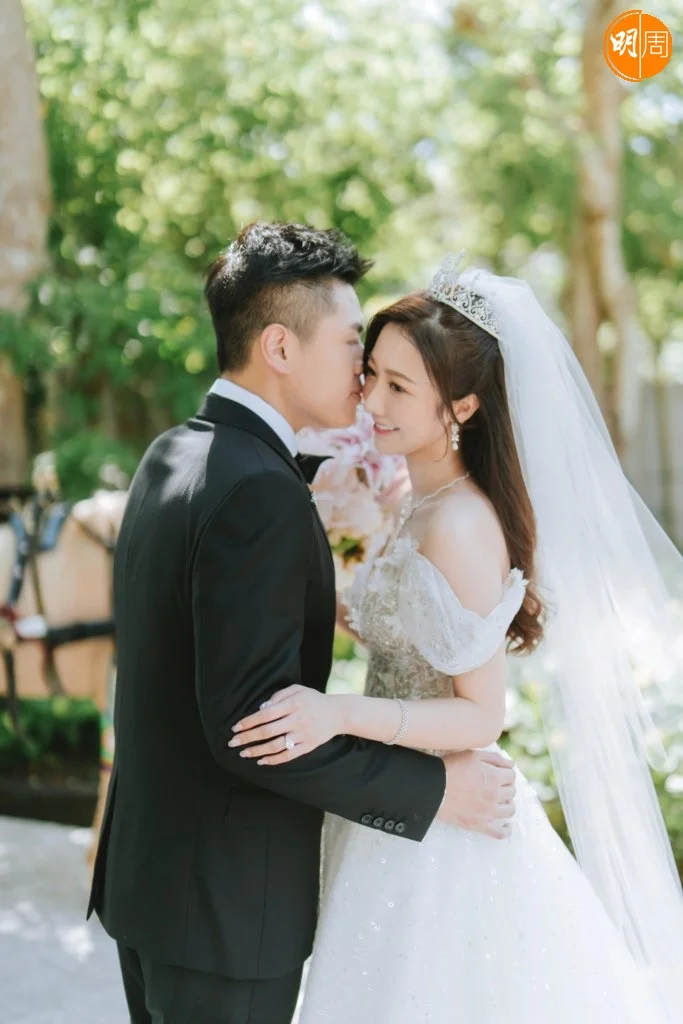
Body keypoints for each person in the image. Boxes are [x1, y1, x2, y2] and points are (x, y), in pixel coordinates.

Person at [232, 255, 683, 1023]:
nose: (370, 400)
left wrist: (335, 713)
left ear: (463, 406)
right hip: (389, 803)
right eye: (370, 374)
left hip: (445, 829)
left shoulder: (463, 522)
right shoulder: (419, 498)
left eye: (398, 387)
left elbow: (480, 715)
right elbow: (417, 635)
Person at [86, 227, 515, 1024]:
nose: (361, 376)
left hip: (151, 889)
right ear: (280, 346)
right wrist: (436, 790)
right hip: (224, 913)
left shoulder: (173, 453)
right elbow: (253, 729)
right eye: (353, 345)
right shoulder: (259, 492)